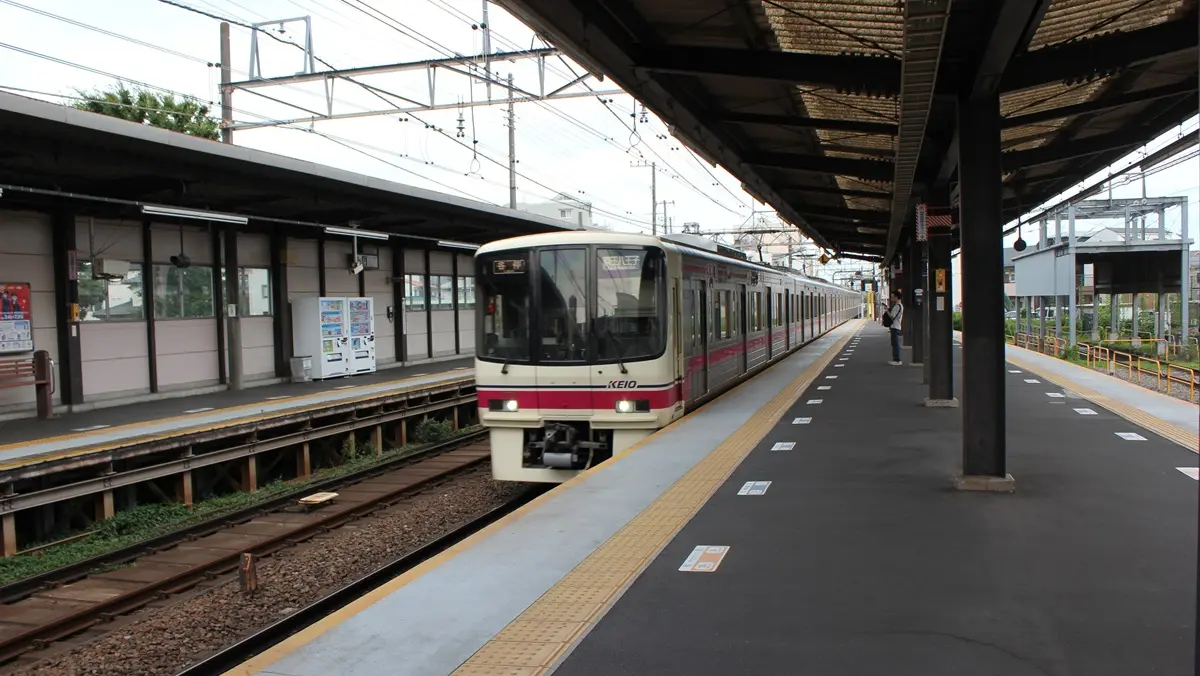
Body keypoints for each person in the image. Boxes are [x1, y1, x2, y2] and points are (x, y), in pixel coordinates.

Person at [883, 291, 903, 365]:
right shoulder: (898, 305)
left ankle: (897, 360)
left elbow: (892, 317)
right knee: (894, 343)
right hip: (895, 326)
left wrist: (886, 310)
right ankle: (896, 359)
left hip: (895, 327)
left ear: (896, 297)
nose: (891, 298)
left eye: (892, 297)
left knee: (895, 343)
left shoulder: (898, 306)